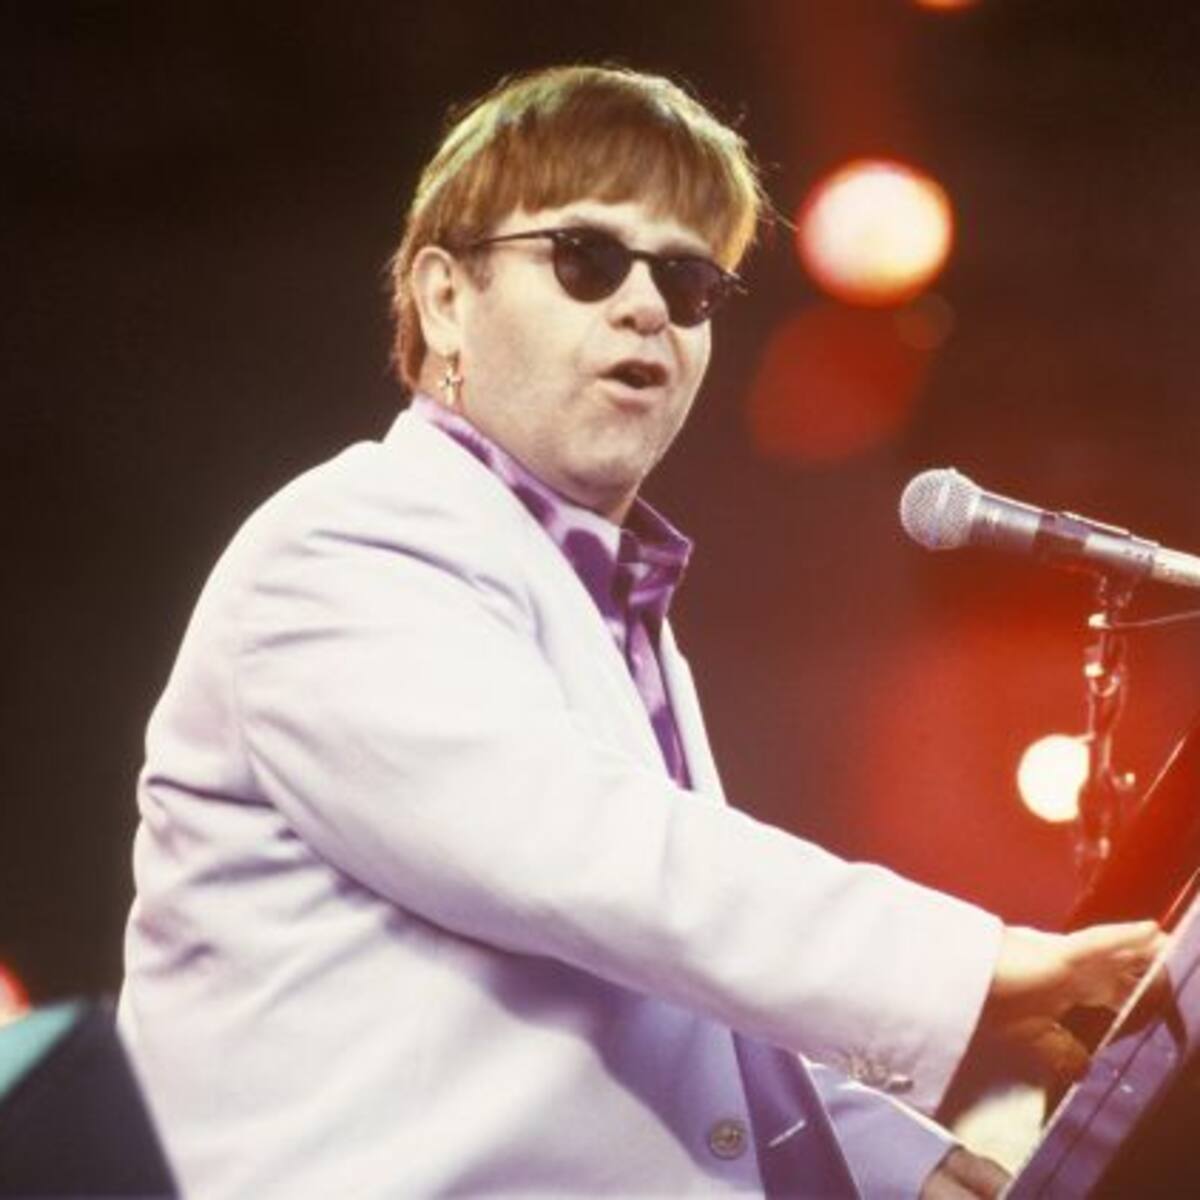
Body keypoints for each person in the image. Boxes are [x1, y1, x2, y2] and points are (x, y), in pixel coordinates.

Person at [118, 65, 1161, 1198]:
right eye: (587, 258)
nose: (647, 307)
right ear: (444, 298)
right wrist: (978, 967)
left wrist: (894, 1160)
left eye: (688, 279)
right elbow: (596, 862)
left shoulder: (594, 599)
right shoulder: (341, 551)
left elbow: (652, 988)